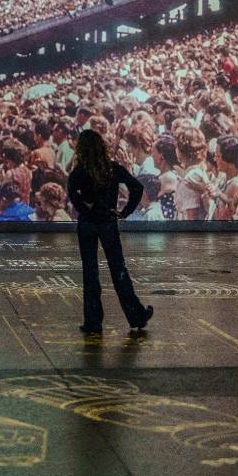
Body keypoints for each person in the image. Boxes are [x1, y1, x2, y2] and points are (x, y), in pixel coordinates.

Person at [66, 129, 154, 336]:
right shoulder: (113, 169)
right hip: (108, 223)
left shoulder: (79, 172)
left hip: (87, 224)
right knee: (119, 270)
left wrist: (86, 210)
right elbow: (137, 188)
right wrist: (125, 211)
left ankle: (93, 321)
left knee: (90, 272)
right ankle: (136, 315)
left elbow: (72, 195)